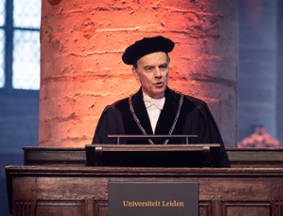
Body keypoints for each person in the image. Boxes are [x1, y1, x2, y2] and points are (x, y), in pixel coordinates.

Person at [92, 36, 230, 167]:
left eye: (163, 67)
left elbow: (216, 166)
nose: (158, 75)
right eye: (149, 68)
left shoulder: (193, 110)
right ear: (135, 73)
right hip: (130, 191)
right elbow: (98, 168)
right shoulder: (116, 114)